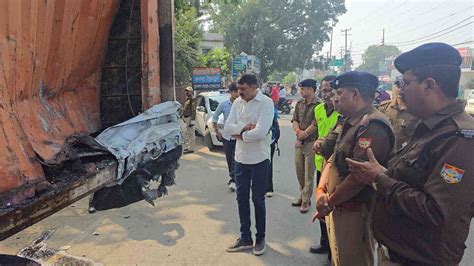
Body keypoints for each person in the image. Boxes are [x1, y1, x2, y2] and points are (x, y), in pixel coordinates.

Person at [346, 43, 474, 265]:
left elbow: (435, 211)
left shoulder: (459, 139)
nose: (400, 90)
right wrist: (382, 175)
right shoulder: (428, 127)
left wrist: (379, 178)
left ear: (429, 85)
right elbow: (412, 180)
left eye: (405, 82)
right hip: (398, 251)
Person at [315, 71, 395, 266]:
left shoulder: (372, 125)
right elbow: (334, 158)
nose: (334, 97)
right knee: (339, 258)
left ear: (355, 94)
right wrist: (320, 190)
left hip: (356, 211)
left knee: (353, 260)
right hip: (340, 206)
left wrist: (330, 201)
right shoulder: (351, 121)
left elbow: (357, 178)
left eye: (339, 92)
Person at [224, 74, 274, 256]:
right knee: (241, 198)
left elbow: (261, 131)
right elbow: (227, 127)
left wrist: (239, 133)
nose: (240, 92)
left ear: (254, 87)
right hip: (240, 158)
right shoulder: (238, 102)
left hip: (259, 159)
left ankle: (260, 238)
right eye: (238, 89)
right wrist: (244, 128)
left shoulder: (266, 103)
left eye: (243, 89)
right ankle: (245, 238)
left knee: (258, 200)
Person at [309, 75, 339, 255]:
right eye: (324, 90)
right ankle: (324, 242)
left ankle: (334, 249)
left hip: (335, 166)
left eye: (330, 90)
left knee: (333, 207)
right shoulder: (319, 109)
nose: (326, 94)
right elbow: (317, 131)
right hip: (321, 164)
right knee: (320, 204)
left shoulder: (342, 113)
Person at [291, 79, 319, 214]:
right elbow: (294, 119)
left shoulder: (319, 105)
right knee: (299, 172)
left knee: (309, 174)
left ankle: (306, 200)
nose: (301, 91)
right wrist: (298, 132)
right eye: (300, 89)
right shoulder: (299, 104)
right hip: (299, 142)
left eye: (303, 89)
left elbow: (316, 123)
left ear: (311, 89)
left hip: (311, 142)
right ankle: (303, 195)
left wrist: (304, 134)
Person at [212, 83, 240, 192]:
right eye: (235, 91)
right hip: (227, 137)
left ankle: (234, 179)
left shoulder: (242, 104)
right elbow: (215, 117)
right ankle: (233, 177)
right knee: (229, 159)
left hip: (239, 137)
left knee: (236, 159)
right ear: (231, 92)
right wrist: (217, 131)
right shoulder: (224, 105)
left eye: (238, 91)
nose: (238, 94)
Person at [378, 78, 418, 150]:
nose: (400, 90)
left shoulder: (416, 111)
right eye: (398, 87)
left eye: (404, 87)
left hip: (404, 154)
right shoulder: (384, 108)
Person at [266, 106, 280, 197]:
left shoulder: (270, 112)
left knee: (267, 164)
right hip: (268, 142)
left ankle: (268, 187)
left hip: (268, 142)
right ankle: (267, 188)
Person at [182, 86, 197, 154]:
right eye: (186, 91)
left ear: (191, 92)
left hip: (190, 118)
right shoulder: (187, 99)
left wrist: (192, 121)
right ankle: (188, 147)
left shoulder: (193, 99)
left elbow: (193, 111)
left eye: (187, 91)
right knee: (186, 133)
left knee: (191, 134)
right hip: (186, 118)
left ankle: (191, 148)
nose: (186, 92)